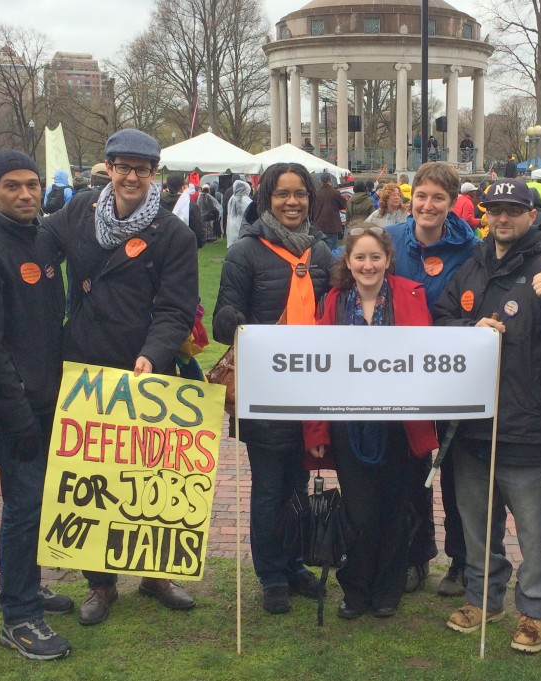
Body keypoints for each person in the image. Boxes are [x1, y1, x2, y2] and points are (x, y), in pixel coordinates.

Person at [435, 177, 541, 654]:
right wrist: (471, 328)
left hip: (530, 425)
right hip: (471, 427)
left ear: (533, 215)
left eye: (513, 210)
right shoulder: (472, 266)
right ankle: (483, 599)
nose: (503, 218)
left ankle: (535, 611)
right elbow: (440, 319)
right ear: (485, 215)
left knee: (535, 533)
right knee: (477, 526)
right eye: (495, 210)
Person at [44, 128, 200, 626]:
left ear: (155, 174)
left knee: (151, 479)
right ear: (108, 168)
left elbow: (177, 309)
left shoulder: (174, 233)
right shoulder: (78, 212)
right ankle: (100, 584)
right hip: (87, 367)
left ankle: (156, 575)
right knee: (92, 480)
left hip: (146, 373)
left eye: (143, 168)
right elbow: (39, 243)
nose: (132, 177)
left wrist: (153, 355)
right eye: (123, 166)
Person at [213, 162, 334, 614]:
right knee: (268, 487)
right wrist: (233, 321)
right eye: (282, 194)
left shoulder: (321, 253)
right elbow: (225, 317)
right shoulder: (245, 252)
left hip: (310, 388)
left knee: (298, 485)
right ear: (266, 198)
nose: (292, 202)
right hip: (264, 390)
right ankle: (271, 575)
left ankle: (295, 563)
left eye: (300, 193)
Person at [304, 226, 438, 619]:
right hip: (349, 426)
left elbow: (427, 357)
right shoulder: (332, 301)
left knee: (396, 511)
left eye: (375, 257)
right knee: (359, 513)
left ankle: (387, 589)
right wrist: (315, 429)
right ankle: (356, 588)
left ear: (387, 260)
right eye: (360, 257)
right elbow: (315, 366)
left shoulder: (412, 295)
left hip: (400, 425)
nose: (368, 265)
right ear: (348, 261)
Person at [0, 150, 72, 660]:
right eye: (13, 186)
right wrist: (13, 412)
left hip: (50, 398)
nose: (27, 194)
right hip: (15, 405)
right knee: (23, 507)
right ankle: (18, 614)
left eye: (32, 185)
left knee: (37, 505)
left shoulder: (41, 238)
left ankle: (24, 587)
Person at [387, 162, 480, 597]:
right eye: (421, 196)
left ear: (451, 203)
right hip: (400, 373)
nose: (428, 205)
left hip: (452, 373)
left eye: (438, 198)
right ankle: (415, 556)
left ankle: (461, 561)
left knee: (456, 471)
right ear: (411, 199)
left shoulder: (471, 248)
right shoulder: (389, 242)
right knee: (408, 470)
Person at [160, 173, 204, 247]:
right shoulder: (190, 205)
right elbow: (198, 230)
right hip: (185, 247)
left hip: (161, 246)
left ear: (167, 186)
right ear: (182, 187)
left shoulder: (157, 203)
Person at [311, 172, 347, 250]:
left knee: (321, 250)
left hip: (319, 225)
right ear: (330, 180)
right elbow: (344, 205)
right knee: (332, 252)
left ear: (320, 181)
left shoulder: (316, 194)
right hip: (332, 225)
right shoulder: (335, 193)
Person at [225, 179, 252, 249]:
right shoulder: (245, 199)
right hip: (241, 226)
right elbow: (251, 212)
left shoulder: (232, 198)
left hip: (232, 226)